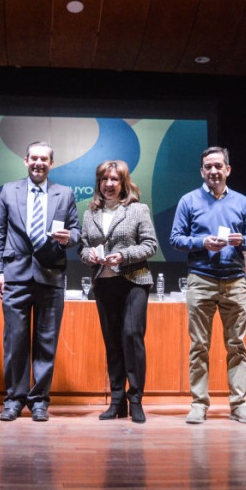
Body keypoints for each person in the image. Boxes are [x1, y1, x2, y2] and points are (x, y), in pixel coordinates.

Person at [0, 141, 80, 422]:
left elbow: (76, 231)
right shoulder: (8, 190)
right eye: (34, 158)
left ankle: (39, 401)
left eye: (44, 159)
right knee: (15, 342)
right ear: (25, 160)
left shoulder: (64, 194)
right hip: (15, 276)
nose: (39, 163)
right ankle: (14, 400)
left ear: (51, 164)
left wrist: (70, 239)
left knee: (46, 343)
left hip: (51, 276)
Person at [170, 146, 246, 425]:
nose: (213, 171)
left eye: (218, 166)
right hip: (201, 278)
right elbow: (175, 239)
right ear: (202, 171)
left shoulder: (242, 202)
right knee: (199, 345)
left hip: (234, 280)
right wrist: (201, 242)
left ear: (228, 169)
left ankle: (239, 404)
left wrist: (241, 240)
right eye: (208, 166)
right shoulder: (188, 200)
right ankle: (198, 404)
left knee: (237, 345)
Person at [80, 160, 158, 424]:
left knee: (131, 336)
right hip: (104, 283)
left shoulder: (138, 210)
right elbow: (82, 246)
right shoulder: (90, 213)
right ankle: (116, 401)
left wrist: (122, 256)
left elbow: (150, 245)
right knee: (112, 342)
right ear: (98, 183)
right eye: (104, 179)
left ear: (124, 183)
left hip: (134, 281)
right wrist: (88, 255)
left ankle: (135, 399)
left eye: (114, 179)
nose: (109, 184)